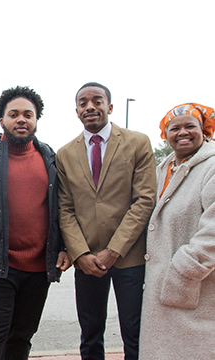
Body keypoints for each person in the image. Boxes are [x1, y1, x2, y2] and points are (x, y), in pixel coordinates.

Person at [0, 86, 71, 360]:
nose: (21, 119)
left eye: (28, 114)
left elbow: (62, 209)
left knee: (22, 336)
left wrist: (65, 247)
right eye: (14, 114)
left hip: (37, 269)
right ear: (1, 120)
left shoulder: (52, 159)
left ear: (36, 120)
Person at [56, 82, 156, 360]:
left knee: (134, 334)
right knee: (90, 334)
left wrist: (114, 250)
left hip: (129, 257)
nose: (90, 106)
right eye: (83, 102)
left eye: (97, 101)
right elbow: (65, 209)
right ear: (76, 111)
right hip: (87, 260)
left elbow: (145, 200)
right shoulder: (65, 153)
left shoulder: (138, 142)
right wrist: (80, 254)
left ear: (109, 107)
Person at [138, 103, 215, 359]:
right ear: (166, 134)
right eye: (175, 128)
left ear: (204, 131)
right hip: (162, 287)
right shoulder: (164, 168)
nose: (183, 132)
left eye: (190, 126)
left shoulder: (211, 167)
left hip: (194, 286)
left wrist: (184, 270)